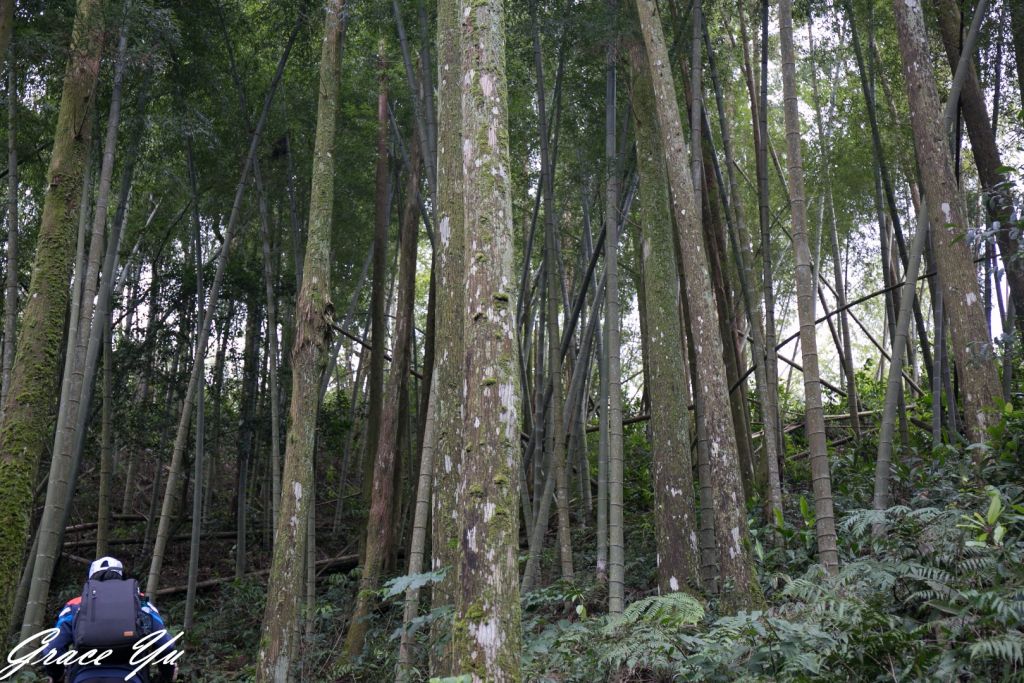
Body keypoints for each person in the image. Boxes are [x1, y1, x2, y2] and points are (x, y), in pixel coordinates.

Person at [40, 556, 178, 683]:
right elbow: (166, 646)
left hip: (84, 678)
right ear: (121, 577)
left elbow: (52, 650)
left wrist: (57, 677)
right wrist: (165, 677)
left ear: (91, 579)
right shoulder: (140, 603)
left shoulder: (76, 604)